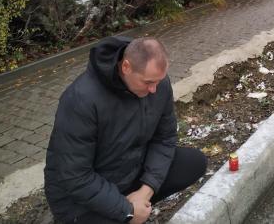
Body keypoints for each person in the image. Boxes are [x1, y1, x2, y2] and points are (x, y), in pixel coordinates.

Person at [45, 37, 207, 224]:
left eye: (158, 81)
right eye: (148, 82)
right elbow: (76, 176)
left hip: (129, 172)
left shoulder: (157, 84)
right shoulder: (81, 100)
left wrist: (146, 190)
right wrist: (127, 211)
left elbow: (165, 138)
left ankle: (137, 205)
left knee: (194, 162)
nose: (154, 89)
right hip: (80, 199)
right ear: (126, 67)